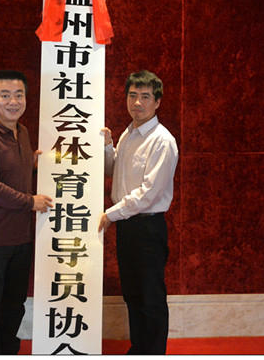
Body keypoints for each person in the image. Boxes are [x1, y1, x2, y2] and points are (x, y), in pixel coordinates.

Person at [0, 70, 53, 355]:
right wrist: (31, 202)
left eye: (19, 95)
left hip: (20, 239)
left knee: (14, 307)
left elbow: (15, 172)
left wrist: (35, 165)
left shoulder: (22, 132)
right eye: (5, 95)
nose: (13, 102)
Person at [99, 70, 179, 354]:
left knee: (150, 296)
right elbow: (113, 170)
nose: (137, 103)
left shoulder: (162, 140)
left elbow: (148, 193)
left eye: (145, 97)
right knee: (132, 293)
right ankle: (139, 349)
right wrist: (107, 146)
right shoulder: (129, 133)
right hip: (127, 226)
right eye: (132, 95)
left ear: (157, 102)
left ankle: (153, 353)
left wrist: (110, 214)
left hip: (147, 227)